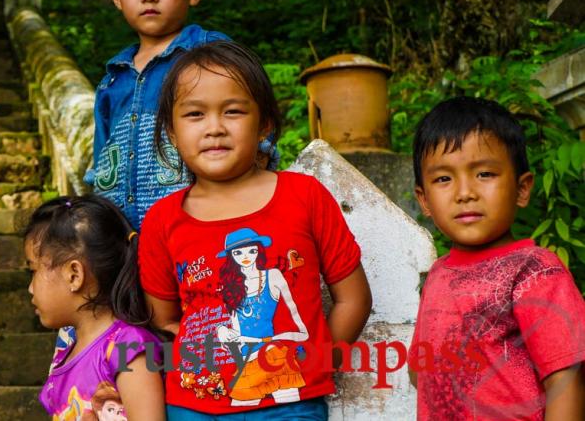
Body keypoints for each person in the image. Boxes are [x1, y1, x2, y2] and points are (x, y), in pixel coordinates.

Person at [138, 41, 372, 419]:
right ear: (172, 130)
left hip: (289, 404)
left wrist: (318, 365)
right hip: (194, 407)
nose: (214, 128)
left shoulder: (304, 196)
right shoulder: (162, 220)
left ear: (263, 122)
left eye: (232, 111)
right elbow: (163, 318)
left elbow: (354, 298)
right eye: (195, 114)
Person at [408, 96, 585, 420]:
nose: (465, 192)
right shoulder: (438, 275)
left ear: (522, 188)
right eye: (443, 179)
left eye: (485, 174)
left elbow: (566, 380)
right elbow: (419, 371)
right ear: (424, 200)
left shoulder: (534, 272)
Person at [85, 0, 234, 230]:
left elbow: (251, 127)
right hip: (127, 241)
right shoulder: (113, 79)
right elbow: (100, 163)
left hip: (197, 231)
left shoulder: (209, 53)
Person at [26, 195, 165, 421]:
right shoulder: (66, 350)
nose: (30, 288)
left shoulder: (127, 348)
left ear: (74, 275)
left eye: (33, 271)